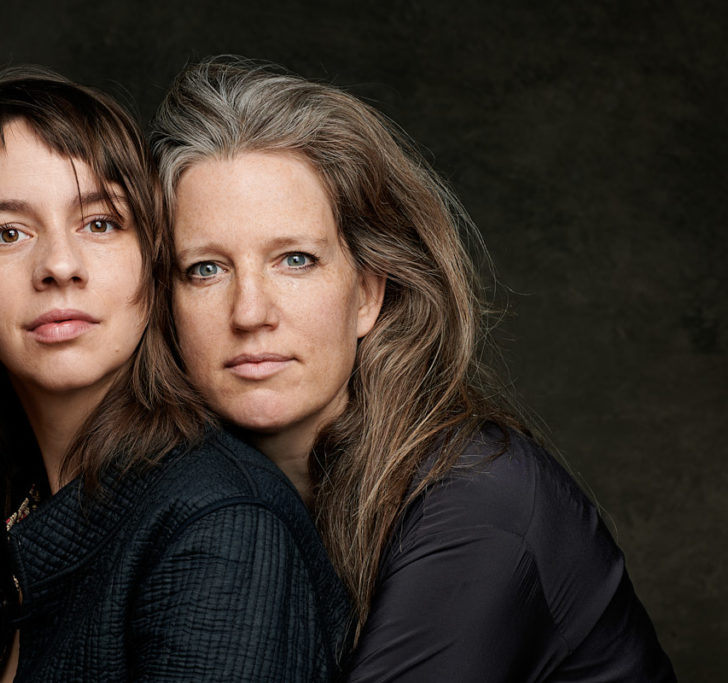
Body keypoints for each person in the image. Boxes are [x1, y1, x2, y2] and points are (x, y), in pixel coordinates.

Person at [151, 56, 677, 681]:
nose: (250, 312)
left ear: (367, 295)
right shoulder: (207, 501)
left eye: (295, 260)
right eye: (205, 269)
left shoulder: (480, 502)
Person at [0, 65, 350, 682]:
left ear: (153, 263)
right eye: (7, 233)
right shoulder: (17, 523)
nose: (59, 265)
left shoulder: (221, 526)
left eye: (100, 223)